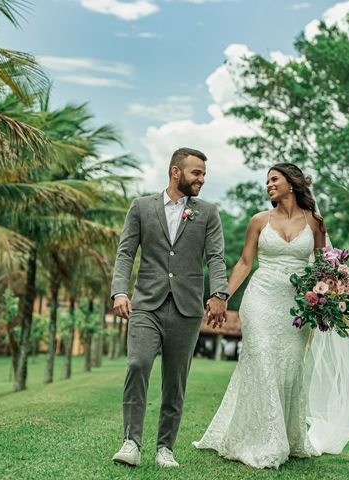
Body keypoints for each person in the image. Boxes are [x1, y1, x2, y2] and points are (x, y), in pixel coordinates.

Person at [193, 162, 349, 469]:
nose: (269, 185)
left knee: (289, 368)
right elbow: (245, 263)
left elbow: (323, 267)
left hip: (297, 307)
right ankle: (268, 442)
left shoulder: (315, 222)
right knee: (261, 358)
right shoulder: (259, 220)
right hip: (260, 299)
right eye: (267, 181)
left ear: (292, 183)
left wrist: (338, 292)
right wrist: (221, 295)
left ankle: (288, 438)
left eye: (274, 179)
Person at [110, 147, 229, 468]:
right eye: (196, 173)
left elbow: (215, 257)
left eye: (204, 174)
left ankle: (165, 448)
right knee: (137, 364)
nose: (201, 179)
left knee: (175, 380)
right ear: (176, 172)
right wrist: (119, 291)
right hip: (146, 304)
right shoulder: (141, 207)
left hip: (186, 308)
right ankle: (131, 442)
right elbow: (125, 254)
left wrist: (220, 293)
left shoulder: (208, 213)